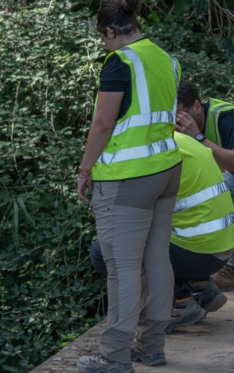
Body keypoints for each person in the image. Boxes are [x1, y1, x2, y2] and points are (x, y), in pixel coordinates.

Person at [77, 0, 181, 373]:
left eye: (103, 39)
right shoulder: (166, 59)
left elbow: (103, 124)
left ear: (109, 32)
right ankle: (152, 347)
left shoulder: (119, 62)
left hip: (128, 178)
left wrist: (85, 169)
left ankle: (115, 355)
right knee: (157, 259)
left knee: (122, 268)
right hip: (167, 169)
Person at [90, 132, 234, 335]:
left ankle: (177, 305)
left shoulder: (147, 157)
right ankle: (198, 286)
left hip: (200, 251)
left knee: (103, 250)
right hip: (221, 247)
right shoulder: (178, 139)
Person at [175, 79, 234, 291]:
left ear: (197, 107)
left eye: (180, 116)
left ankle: (232, 267)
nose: (176, 124)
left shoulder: (225, 118)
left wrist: (198, 138)